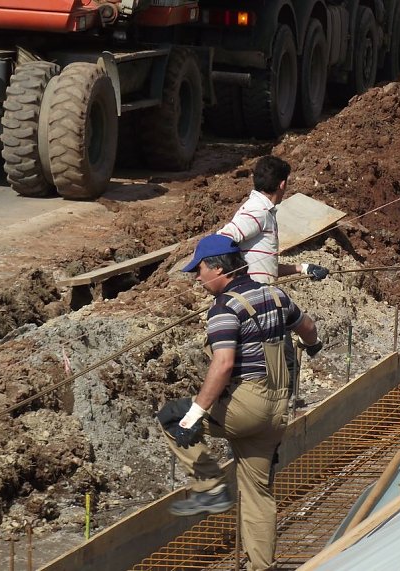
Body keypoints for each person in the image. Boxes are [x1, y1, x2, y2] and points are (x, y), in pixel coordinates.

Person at [157, 234, 323, 571]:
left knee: (172, 418)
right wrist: (315, 345)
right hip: (277, 411)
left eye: (200, 269)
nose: (198, 277)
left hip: (245, 405)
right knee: (258, 493)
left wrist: (196, 414)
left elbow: (223, 365)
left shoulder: (223, 309)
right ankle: (262, 567)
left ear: (219, 268)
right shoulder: (275, 294)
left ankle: (210, 487)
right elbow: (307, 327)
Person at [218, 154, 329, 284]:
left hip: (259, 291)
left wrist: (304, 268)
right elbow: (221, 239)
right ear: (282, 184)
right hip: (252, 293)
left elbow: (267, 268)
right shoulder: (258, 211)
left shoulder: (264, 211)